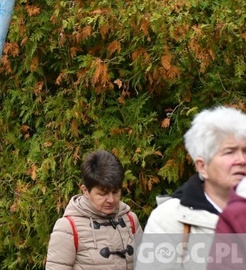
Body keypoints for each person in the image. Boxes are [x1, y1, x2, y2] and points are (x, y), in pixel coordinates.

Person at [137, 106, 246, 269]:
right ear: (202, 167)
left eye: (245, 151)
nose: (241, 160)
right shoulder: (169, 220)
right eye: (229, 152)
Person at [45, 149, 142, 269]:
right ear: (85, 191)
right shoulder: (68, 227)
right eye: (102, 194)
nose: (111, 199)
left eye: (115, 192)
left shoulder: (130, 220)